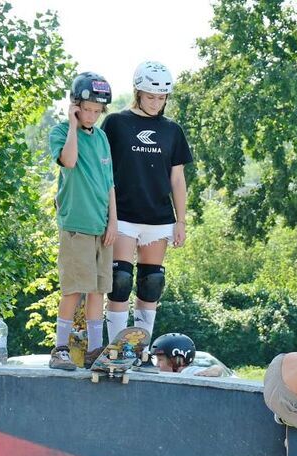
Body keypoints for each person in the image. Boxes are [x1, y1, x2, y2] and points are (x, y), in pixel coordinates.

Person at [102, 61, 192, 342]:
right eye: (151, 96)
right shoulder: (117, 123)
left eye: (162, 97)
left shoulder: (172, 130)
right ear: (138, 92)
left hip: (158, 217)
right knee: (120, 281)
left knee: (151, 283)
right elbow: (103, 169)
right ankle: (117, 347)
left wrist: (181, 221)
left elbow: (177, 179)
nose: (156, 102)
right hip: (124, 215)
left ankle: (139, 348)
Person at [48, 71, 117, 371]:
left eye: (96, 111)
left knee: (97, 291)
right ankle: (60, 348)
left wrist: (113, 220)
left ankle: (95, 349)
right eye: (86, 109)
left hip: (101, 226)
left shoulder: (102, 138)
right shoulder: (61, 133)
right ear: (75, 106)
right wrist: (73, 125)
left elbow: (109, 183)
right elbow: (70, 162)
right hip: (76, 224)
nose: (91, 115)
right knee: (73, 289)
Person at [148, 332, 226, 377]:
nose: (157, 365)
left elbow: (218, 369)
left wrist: (214, 370)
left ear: (177, 360)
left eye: (160, 360)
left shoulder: (187, 372)